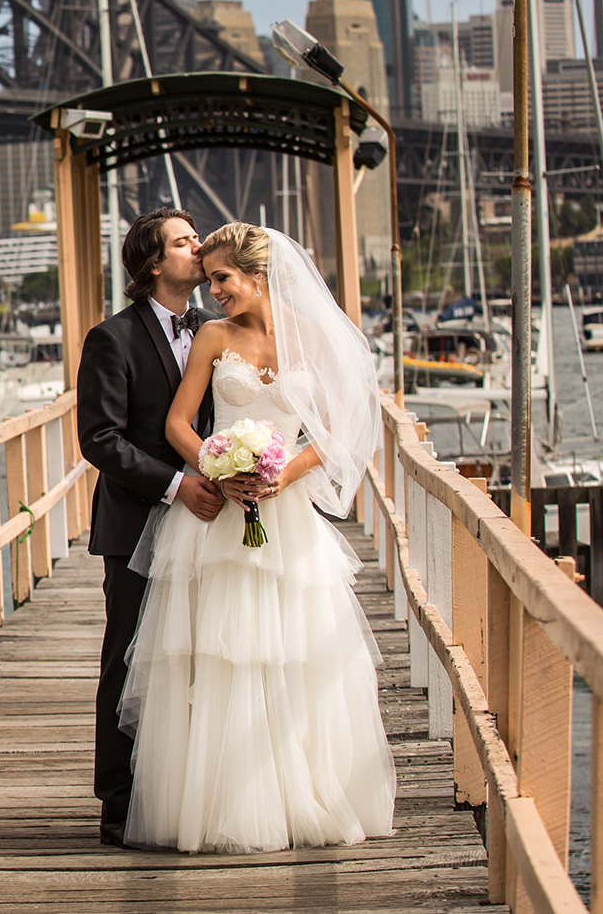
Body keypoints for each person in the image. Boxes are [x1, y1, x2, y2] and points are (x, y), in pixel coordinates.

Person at [121, 222, 395, 853]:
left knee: (300, 652)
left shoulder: (315, 337)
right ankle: (234, 805)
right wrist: (220, 464)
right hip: (223, 513)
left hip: (288, 513)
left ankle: (305, 792)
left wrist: (281, 474)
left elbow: (339, 427)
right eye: (209, 277)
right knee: (230, 655)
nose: (213, 290)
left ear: (259, 274)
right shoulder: (214, 338)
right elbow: (177, 424)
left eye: (222, 278)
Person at [75, 207, 224, 848]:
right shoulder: (113, 339)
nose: (200, 247)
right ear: (154, 264)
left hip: (212, 521)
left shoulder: (220, 329)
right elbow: (99, 439)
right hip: (139, 522)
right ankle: (118, 802)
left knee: (200, 656)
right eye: (185, 241)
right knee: (129, 658)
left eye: (196, 238)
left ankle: (186, 792)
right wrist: (175, 485)